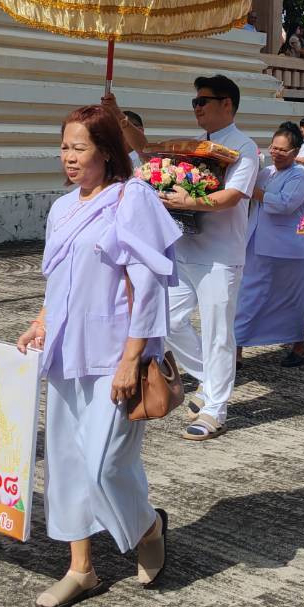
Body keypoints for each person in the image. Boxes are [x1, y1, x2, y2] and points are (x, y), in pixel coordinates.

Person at [15, 106, 179, 607]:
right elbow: (57, 278)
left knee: (105, 462)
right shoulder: (63, 208)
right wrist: (41, 322)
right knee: (65, 462)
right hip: (66, 350)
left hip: (114, 352)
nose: (68, 157)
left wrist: (133, 357)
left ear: (106, 151)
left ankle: (147, 525)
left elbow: (147, 283)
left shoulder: (133, 199)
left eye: (79, 147)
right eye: (64, 147)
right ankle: (80, 568)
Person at [109, 76, 259, 442]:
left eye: (204, 101)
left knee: (218, 332)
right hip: (187, 248)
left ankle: (215, 409)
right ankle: (211, 380)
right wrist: (120, 119)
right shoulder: (195, 146)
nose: (197, 107)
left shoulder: (245, 148)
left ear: (228, 104)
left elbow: (234, 195)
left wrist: (191, 202)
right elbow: (147, 155)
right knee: (169, 320)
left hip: (221, 255)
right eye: (195, 102)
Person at [235, 123, 304, 368]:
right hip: (257, 244)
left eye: (283, 150)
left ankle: (298, 347)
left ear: (295, 151)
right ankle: (236, 349)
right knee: (247, 296)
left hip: (287, 250)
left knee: (292, 300)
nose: (276, 153)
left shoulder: (299, 175)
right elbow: (245, 188)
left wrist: (257, 193)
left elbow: (284, 205)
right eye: (274, 148)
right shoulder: (267, 172)